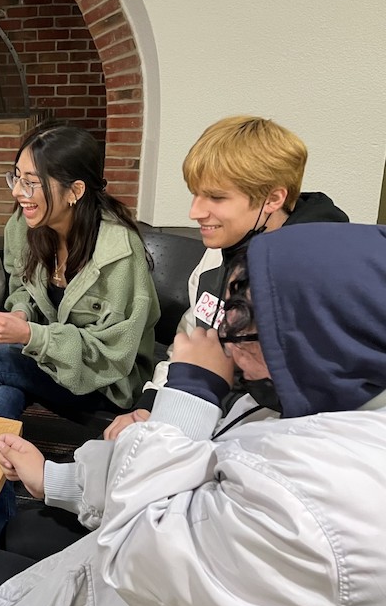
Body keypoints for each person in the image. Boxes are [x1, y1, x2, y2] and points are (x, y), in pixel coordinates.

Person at [0, 223, 386, 606]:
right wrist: (55, 478)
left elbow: (142, 555)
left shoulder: (328, 495)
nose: (225, 339)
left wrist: (189, 395)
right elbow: (195, 481)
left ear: (319, 334)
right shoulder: (296, 406)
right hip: (136, 592)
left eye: (245, 316)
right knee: (0, 397)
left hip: (139, 598)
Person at [107, 115, 347, 437]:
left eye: (216, 197)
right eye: (195, 194)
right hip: (204, 415)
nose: (195, 212)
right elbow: (194, 336)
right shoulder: (218, 256)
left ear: (273, 198)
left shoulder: (320, 274)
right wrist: (152, 404)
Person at [0, 123, 159, 421]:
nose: (17, 192)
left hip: (103, 383)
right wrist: (22, 315)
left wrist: (32, 335)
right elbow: (22, 289)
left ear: (74, 191)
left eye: (31, 182)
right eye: (16, 177)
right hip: (46, 365)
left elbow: (113, 355)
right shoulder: (25, 227)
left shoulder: (118, 252)